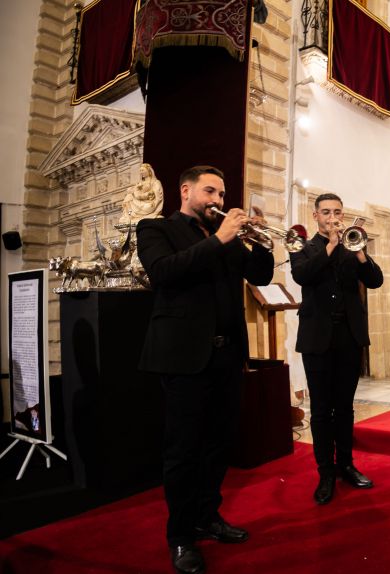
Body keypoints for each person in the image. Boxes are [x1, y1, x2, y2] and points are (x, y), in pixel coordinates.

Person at [137, 165, 274, 574]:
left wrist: (259, 240)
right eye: (210, 191)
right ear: (186, 191)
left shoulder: (226, 239)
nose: (218, 199)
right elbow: (163, 272)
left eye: (222, 192)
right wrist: (220, 239)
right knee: (183, 450)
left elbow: (262, 275)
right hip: (183, 358)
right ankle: (180, 536)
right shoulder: (155, 228)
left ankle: (207, 516)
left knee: (218, 444)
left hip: (226, 356)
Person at [291, 193, 384, 505]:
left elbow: (375, 280)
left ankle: (346, 465)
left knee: (345, 407)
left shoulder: (352, 244)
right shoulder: (303, 245)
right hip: (317, 338)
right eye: (326, 212)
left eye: (338, 212)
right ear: (316, 215)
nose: (333, 217)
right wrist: (331, 245)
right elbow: (302, 275)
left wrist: (358, 251)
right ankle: (325, 473)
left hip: (349, 337)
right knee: (320, 410)